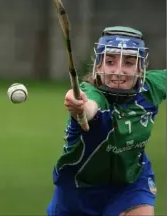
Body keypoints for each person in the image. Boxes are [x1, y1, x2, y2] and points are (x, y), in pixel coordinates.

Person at [47, 26, 166, 216]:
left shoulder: (151, 87)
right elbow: (89, 106)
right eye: (110, 62)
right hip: (78, 190)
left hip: (131, 181)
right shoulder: (92, 93)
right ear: (99, 66)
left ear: (141, 67)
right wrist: (79, 106)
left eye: (128, 62)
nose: (118, 71)